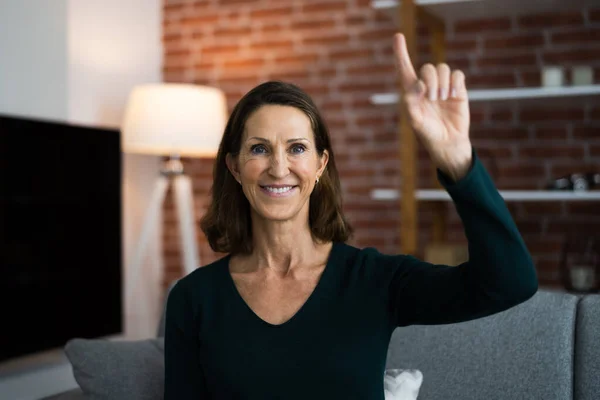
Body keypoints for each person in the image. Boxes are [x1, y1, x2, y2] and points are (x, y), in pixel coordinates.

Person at [164, 33, 538, 399]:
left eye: (297, 148)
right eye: (260, 149)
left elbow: (510, 283)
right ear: (234, 166)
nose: (279, 168)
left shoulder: (374, 281)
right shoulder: (194, 298)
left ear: (320, 164)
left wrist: (457, 161)